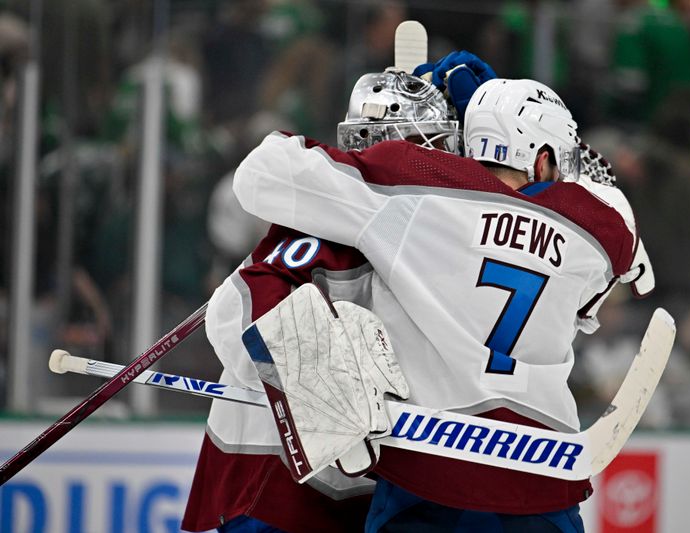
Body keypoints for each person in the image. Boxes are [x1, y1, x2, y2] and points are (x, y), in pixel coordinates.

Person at [231, 77, 652, 531]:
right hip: (542, 475)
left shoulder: (418, 181)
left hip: (429, 469)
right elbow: (619, 275)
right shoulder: (596, 226)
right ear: (544, 158)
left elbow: (262, 173)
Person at [181, 68, 460, 533]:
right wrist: (321, 383)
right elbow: (235, 309)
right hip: (272, 484)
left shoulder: (434, 234)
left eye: (441, 144)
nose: (439, 162)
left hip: (361, 493)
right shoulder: (324, 225)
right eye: (423, 146)